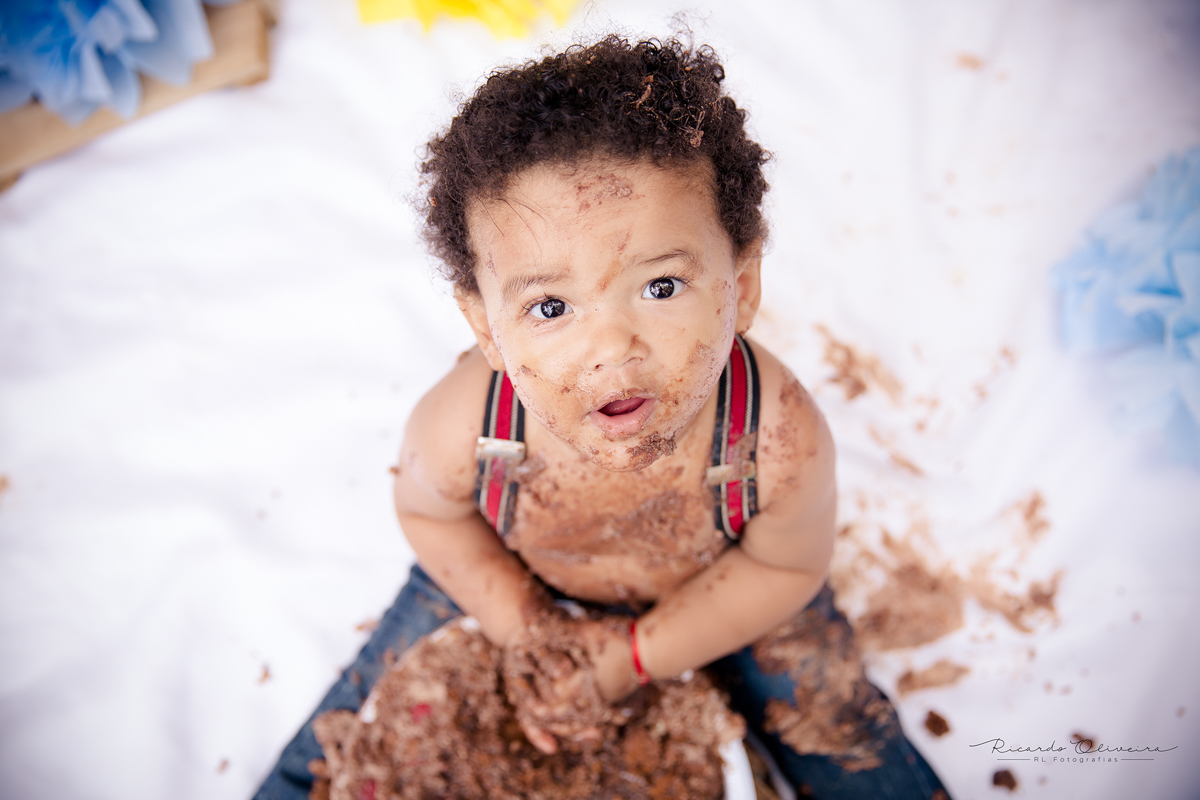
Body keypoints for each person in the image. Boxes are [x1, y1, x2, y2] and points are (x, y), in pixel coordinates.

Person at [254, 34, 950, 800]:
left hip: (721, 587)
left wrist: (638, 655)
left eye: (660, 287)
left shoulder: (776, 441)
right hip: (515, 576)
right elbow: (430, 516)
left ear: (742, 284)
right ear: (487, 326)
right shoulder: (467, 429)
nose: (611, 350)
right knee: (342, 747)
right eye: (549, 307)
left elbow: (783, 567)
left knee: (844, 737)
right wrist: (523, 624)